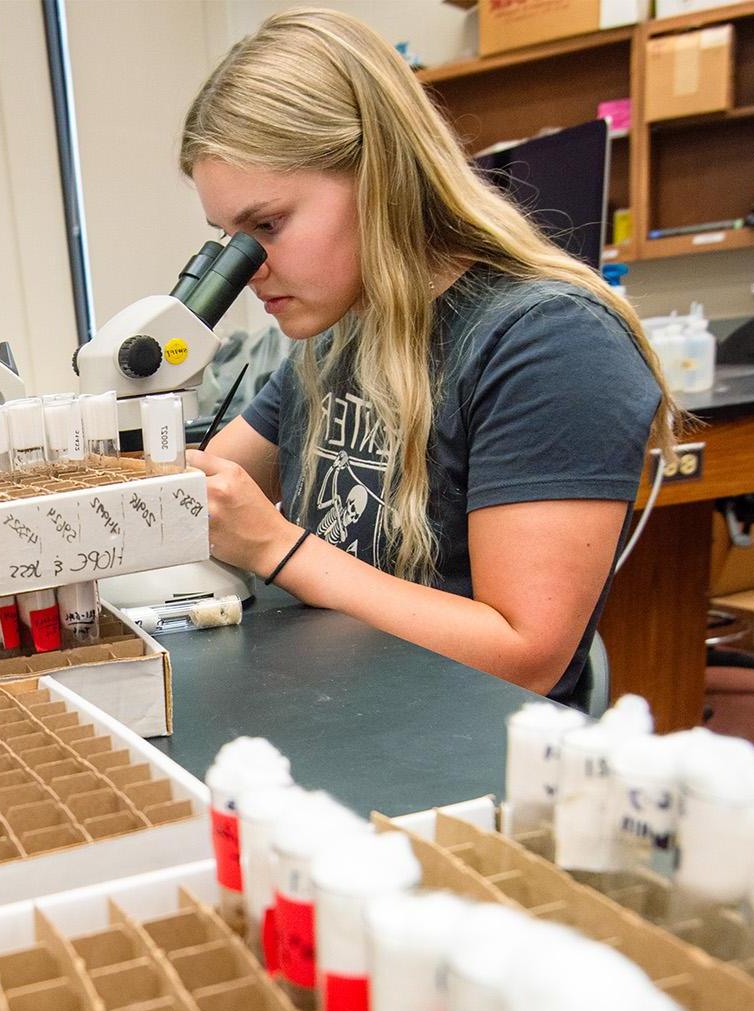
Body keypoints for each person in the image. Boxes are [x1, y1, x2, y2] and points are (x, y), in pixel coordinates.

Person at [181, 8, 679, 705]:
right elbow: (203, 491)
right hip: (342, 706)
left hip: (458, 759)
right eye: (228, 235)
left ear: (382, 175)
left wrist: (275, 548)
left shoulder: (550, 343)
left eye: (267, 225)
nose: (248, 268)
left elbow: (525, 654)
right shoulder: (342, 330)